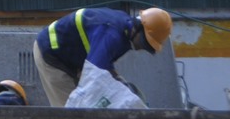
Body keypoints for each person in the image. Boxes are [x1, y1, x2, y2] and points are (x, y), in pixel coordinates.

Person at [33, 7, 172, 107]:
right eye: (144, 43)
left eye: (148, 48)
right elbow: (94, 76)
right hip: (52, 55)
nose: (142, 48)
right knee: (70, 115)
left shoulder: (125, 33)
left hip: (77, 58)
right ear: (138, 29)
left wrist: (126, 90)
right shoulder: (111, 35)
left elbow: (105, 68)